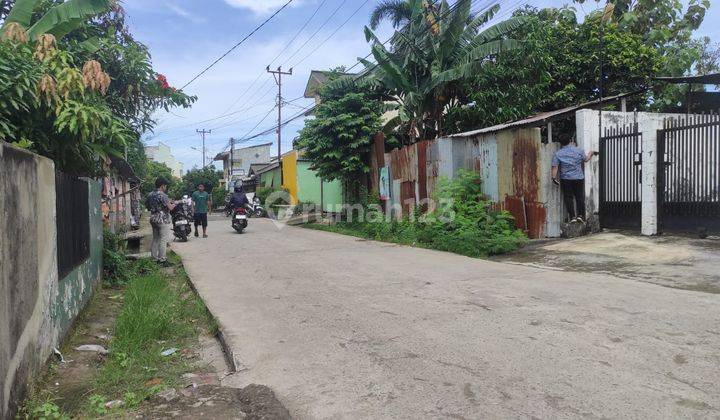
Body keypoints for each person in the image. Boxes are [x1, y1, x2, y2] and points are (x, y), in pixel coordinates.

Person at [551, 136, 595, 223]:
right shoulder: (579, 150)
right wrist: (591, 153)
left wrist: (553, 178)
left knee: (568, 197)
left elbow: (555, 167)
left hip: (566, 179)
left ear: (561, 143)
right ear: (570, 141)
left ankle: (572, 217)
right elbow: (586, 159)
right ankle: (580, 216)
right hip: (578, 178)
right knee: (579, 197)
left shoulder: (558, 153)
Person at [146, 177, 176, 265]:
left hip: (153, 218)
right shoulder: (163, 195)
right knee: (163, 239)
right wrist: (174, 204)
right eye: (165, 186)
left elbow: (147, 206)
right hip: (162, 219)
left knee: (155, 238)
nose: (166, 188)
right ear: (162, 186)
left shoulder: (150, 195)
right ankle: (162, 259)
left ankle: (154, 259)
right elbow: (170, 208)